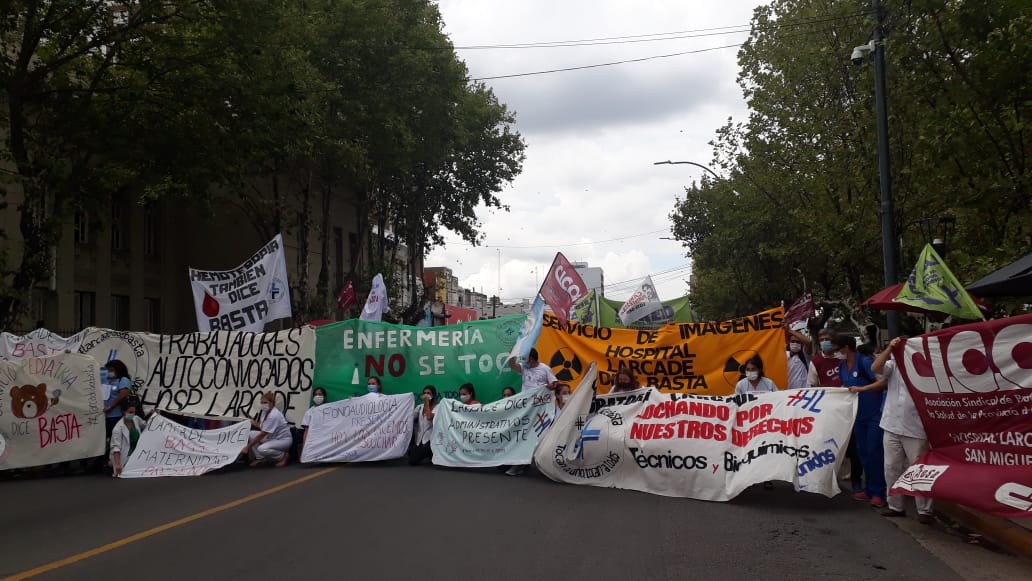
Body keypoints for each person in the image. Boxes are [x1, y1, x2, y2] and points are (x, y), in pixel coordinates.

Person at [872, 336, 934, 524]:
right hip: (891, 424)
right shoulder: (892, 365)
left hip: (916, 428)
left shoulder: (926, 368)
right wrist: (890, 347)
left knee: (918, 469)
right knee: (891, 467)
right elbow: (875, 368)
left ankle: (925, 510)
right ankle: (895, 506)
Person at [833, 333, 888, 508]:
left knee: (874, 453)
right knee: (863, 453)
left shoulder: (864, 362)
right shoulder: (842, 366)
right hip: (857, 416)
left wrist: (863, 388)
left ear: (845, 348)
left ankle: (879, 493)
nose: (834, 352)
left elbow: (883, 382)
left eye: (836, 349)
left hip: (874, 414)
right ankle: (870, 489)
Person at [242, 392, 293, 467]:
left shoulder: (274, 415)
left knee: (262, 449)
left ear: (272, 403)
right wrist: (252, 422)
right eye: (262, 403)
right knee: (250, 434)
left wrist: (247, 447)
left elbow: (262, 434)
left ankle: (283, 456)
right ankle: (260, 458)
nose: (263, 404)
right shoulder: (265, 412)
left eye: (265, 402)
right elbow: (263, 426)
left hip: (282, 440)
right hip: (271, 437)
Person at [109, 403, 147, 476]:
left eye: (134, 412)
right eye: (130, 412)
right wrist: (117, 464)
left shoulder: (136, 419)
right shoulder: (117, 429)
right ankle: (111, 463)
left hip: (137, 454)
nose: (132, 414)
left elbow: (145, 425)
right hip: (126, 456)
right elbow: (115, 447)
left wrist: (153, 415)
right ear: (124, 412)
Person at [409, 386, 438, 466]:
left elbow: (429, 417)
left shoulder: (438, 407)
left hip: (431, 439)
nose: (426, 395)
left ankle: (432, 454)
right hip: (419, 439)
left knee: (422, 453)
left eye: (428, 393)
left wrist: (426, 403)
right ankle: (428, 455)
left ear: (434, 395)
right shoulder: (420, 407)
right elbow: (410, 418)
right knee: (412, 460)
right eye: (424, 393)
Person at [102, 360, 132, 439]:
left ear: (118, 369)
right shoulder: (105, 379)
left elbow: (123, 395)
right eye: (107, 370)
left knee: (115, 438)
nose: (109, 372)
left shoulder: (124, 380)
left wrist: (110, 406)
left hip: (115, 416)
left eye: (111, 370)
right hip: (103, 416)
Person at [300, 387, 328, 456]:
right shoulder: (309, 412)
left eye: (320, 394)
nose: (317, 396)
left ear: (324, 397)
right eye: (315, 394)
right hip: (315, 440)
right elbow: (306, 431)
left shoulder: (330, 409)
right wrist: (304, 449)